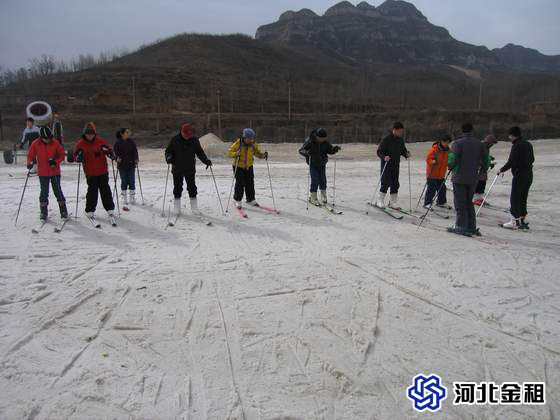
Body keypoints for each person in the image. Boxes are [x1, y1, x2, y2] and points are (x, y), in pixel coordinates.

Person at [447, 123, 489, 237]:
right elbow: (486, 159)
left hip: (459, 177)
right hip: (473, 178)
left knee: (460, 202)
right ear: (472, 131)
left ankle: (461, 226)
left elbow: (453, 158)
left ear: (462, 131)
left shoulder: (457, 143)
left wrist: (450, 166)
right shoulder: (479, 144)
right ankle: (471, 226)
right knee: (468, 202)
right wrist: (483, 171)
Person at [164, 123, 212, 216]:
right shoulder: (175, 140)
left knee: (192, 187)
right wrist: (168, 157)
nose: (187, 137)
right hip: (177, 168)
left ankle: (194, 208)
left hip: (190, 168)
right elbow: (168, 151)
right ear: (182, 132)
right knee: (177, 187)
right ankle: (177, 208)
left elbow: (199, 152)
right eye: (186, 135)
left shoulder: (194, 140)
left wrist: (205, 160)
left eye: (189, 135)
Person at [73, 122, 116, 221]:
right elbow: (75, 155)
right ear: (84, 134)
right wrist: (78, 157)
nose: (90, 136)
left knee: (105, 189)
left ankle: (110, 208)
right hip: (90, 172)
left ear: (94, 134)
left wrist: (111, 154)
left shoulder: (100, 141)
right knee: (92, 191)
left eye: (91, 134)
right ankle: (90, 210)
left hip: (102, 170)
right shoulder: (80, 144)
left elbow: (108, 149)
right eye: (88, 134)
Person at [26, 126, 67, 220]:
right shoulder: (35, 144)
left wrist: (55, 161)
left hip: (54, 171)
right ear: (41, 137)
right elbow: (30, 155)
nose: (48, 140)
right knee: (44, 192)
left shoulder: (55, 143)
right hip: (43, 173)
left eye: (49, 138)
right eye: (46, 138)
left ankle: (63, 210)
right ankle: (43, 211)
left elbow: (62, 155)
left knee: (58, 191)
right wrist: (30, 163)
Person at [497, 126, 534, 230]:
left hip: (520, 175)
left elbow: (511, 162)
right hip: (529, 175)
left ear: (512, 135)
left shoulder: (516, 146)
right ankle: (522, 219)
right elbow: (532, 159)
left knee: (515, 198)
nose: (509, 138)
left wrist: (501, 170)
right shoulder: (528, 144)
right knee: (523, 197)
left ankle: (514, 221)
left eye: (509, 135)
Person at [298, 128, 340, 205]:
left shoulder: (325, 142)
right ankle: (313, 197)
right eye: (320, 138)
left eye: (324, 138)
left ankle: (323, 195)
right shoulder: (310, 141)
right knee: (315, 179)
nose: (322, 140)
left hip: (322, 164)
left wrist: (334, 149)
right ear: (317, 136)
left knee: (323, 179)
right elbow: (301, 150)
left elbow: (329, 150)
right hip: (313, 164)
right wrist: (307, 153)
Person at [228, 128, 268, 209]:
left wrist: (263, 155)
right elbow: (229, 152)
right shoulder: (238, 143)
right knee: (240, 183)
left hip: (249, 166)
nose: (250, 140)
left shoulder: (253, 144)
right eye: (249, 138)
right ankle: (237, 200)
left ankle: (250, 199)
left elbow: (257, 153)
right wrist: (236, 153)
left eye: (252, 138)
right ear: (244, 137)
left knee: (250, 182)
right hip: (238, 166)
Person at [375, 122, 410, 209]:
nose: (401, 133)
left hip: (396, 164)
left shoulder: (400, 140)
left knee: (395, 183)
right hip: (386, 164)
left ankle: (393, 202)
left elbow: (403, 150)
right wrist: (384, 157)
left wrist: (406, 154)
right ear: (394, 130)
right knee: (385, 182)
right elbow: (379, 151)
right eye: (399, 131)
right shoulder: (386, 139)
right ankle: (380, 200)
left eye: (402, 131)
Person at [424, 134, 451, 209]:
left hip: (441, 174)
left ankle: (441, 202)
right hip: (432, 173)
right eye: (446, 142)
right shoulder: (434, 150)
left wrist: (450, 164)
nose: (447, 144)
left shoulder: (447, 151)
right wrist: (432, 161)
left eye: (448, 143)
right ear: (442, 141)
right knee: (431, 189)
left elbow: (449, 159)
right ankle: (427, 203)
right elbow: (428, 159)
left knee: (442, 188)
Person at [113, 128, 139, 208]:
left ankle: (132, 198)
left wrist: (136, 159)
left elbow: (135, 151)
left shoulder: (131, 142)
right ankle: (124, 198)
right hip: (122, 165)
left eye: (128, 132)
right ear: (122, 134)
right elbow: (114, 153)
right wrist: (117, 158)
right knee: (124, 181)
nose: (128, 133)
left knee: (132, 181)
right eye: (127, 132)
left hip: (131, 164)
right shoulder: (117, 143)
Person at [473, 135, 498, 206]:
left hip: (483, 168)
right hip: (478, 168)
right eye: (492, 143)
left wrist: (489, 159)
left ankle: (480, 198)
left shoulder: (487, 148)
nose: (492, 145)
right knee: (479, 182)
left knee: (483, 181)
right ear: (488, 142)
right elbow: (478, 157)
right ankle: (476, 198)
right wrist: (486, 163)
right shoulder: (481, 146)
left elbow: (485, 156)